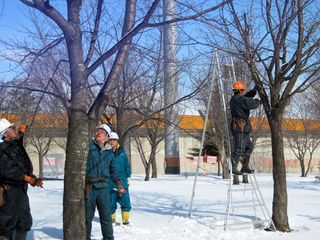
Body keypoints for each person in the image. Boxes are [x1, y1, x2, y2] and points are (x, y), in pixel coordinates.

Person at [0, 119, 42, 240]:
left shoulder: (14, 146)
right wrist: (26, 178)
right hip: (8, 193)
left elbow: (23, 165)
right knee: (6, 224)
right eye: (12, 128)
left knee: (24, 222)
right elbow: (7, 170)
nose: (15, 129)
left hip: (20, 192)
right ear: (5, 134)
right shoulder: (2, 149)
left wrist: (32, 179)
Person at [85, 124, 124, 240]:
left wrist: (118, 183)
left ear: (106, 136)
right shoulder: (89, 148)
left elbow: (114, 171)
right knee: (87, 217)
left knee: (106, 217)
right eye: (97, 131)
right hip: (89, 187)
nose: (98, 133)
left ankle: (108, 238)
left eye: (101, 132)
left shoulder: (109, 152)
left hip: (103, 188)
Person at [229, 81, 261, 176]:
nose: (244, 91)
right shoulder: (239, 100)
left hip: (243, 127)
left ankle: (245, 167)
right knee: (239, 148)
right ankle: (234, 168)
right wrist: (260, 101)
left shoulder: (236, 99)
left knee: (249, 147)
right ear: (239, 90)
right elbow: (251, 103)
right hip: (239, 127)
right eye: (243, 90)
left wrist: (254, 90)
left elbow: (246, 97)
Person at [108, 132, 131, 225]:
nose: (112, 142)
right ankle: (111, 220)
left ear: (117, 141)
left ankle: (125, 220)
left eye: (114, 140)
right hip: (110, 182)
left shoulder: (122, 153)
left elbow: (127, 166)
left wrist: (128, 177)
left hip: (122, 182)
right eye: (110, 140)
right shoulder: (106, 153)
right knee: (110, 202)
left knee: (125, 201)